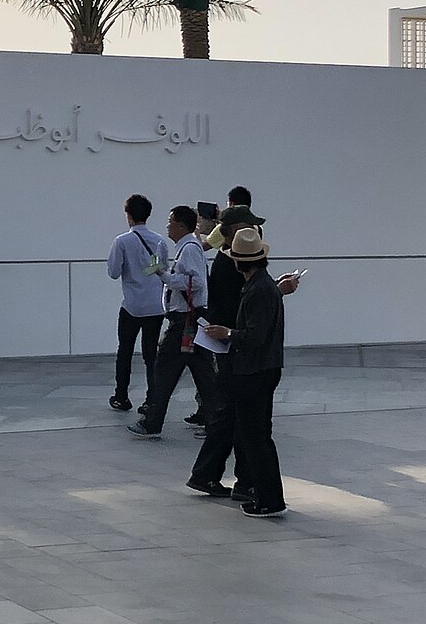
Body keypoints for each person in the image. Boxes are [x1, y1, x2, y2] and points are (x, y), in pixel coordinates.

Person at [188, 206, 300, 502]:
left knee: (241, 422)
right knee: (245, 425)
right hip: (239, 355)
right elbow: (250, 317)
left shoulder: (245, 274)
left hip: (243, 354)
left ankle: (226, 478)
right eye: (249, 226)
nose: (255, 230)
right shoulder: (230, 268)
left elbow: (254, 309)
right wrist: (229, 333)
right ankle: (239, 481)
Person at [203, 227, 288, 517]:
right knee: (258, 437)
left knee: (256, 439)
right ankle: (267, 496)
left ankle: (269, 499)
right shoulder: (263, 286)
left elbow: (254, 336)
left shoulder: (258, 290)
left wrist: (227, 333)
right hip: (264, 368)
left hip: (254, 371)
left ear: (239, 262)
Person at [128, 205, 211, 439]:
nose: (167, 226)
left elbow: (195, 282)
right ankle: (216, 420)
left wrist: (164, 275)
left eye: (170, 221)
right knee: (203, 373)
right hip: (190, 320)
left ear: (181, 226)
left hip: (183, 321)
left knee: (163, 370)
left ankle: (152, 422)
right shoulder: (188, 247)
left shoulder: (189, 249)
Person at [106, 194, 171, 412]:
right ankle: (152, 399)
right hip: (155, 306)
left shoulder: (122, 241)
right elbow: (163, 269)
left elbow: (113, 272)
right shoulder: (159, 241)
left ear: (129, 215)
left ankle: (121, 396)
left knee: (124, 351)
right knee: (151, 355)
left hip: (132, 306)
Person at [199, 185, 251, 252]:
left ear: (232, 204)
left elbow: (201, 248)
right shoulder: (256, 226)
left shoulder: (225, 227)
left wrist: (196, 232)